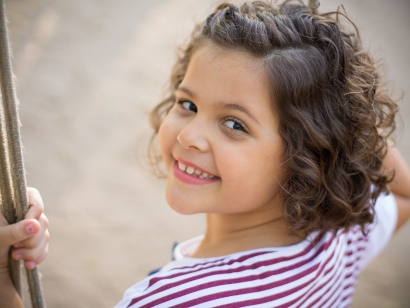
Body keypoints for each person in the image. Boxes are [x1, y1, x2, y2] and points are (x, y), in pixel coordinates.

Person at [1, 0, 409, 307]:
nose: (190, 136)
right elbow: (404, 195)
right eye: (188, 104)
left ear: (308, 153)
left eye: (235, 124)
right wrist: (347, 119)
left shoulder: (167, 300)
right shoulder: (337, 244)